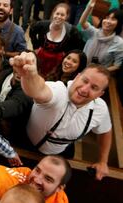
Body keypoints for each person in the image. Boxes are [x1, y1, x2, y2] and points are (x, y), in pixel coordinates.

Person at [12, 51, 112, 181]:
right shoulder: (58, 90)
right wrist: (30, 75)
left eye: (94, 87)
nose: (84, 89)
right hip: (26, 144)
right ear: (77, 76)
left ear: (100, 94)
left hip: (60, 155)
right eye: (84, 81)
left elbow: (105, 131)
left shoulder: (100, 109)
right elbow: (38, 90)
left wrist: (103, 161)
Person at [30, 3, 84, 78]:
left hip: (58, 61)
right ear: (53, 14)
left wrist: (68, 55)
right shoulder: (43, 24)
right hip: (41, 57)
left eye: (62, 15)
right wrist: (35, 46)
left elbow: (79, 46)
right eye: (57, 14)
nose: (59, 17)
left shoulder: (72, 31)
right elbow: (32, 30)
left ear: (67, 17)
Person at [79, 1, 123, 72]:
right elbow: (83, 22)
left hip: (99, 75)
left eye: (113, 19)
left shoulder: (119, 43)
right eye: (107, 18)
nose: (108, 21)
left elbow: (117, 65)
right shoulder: (94, 32)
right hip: (82, 70)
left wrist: (100, 71)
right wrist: (89, 7)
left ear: (119, 23)